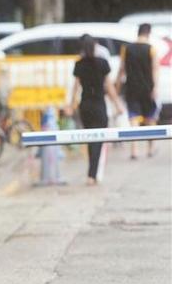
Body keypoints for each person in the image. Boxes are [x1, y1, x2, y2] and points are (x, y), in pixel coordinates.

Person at [67, 34, 124, 185]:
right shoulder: (102, 63)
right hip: (99, 105)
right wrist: (118, 104)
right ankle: (92, 174)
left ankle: (91, 173)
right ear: (94, 46)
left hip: (85, 106)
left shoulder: (79, 64)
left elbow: (75, 87)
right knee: (97, 139)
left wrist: (71, 105)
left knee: (90, 139)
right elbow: (109, 87)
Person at [115, 23, 159, 159]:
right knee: (150, 118)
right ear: (148, 33)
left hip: (131, 87)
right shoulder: (151, 49)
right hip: (147, 88)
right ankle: (150, 148)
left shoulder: (126, 49)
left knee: (133, 119)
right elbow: (155, 70)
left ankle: (134, 150)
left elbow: (121, 69)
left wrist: (117, 86)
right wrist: (155, 88)